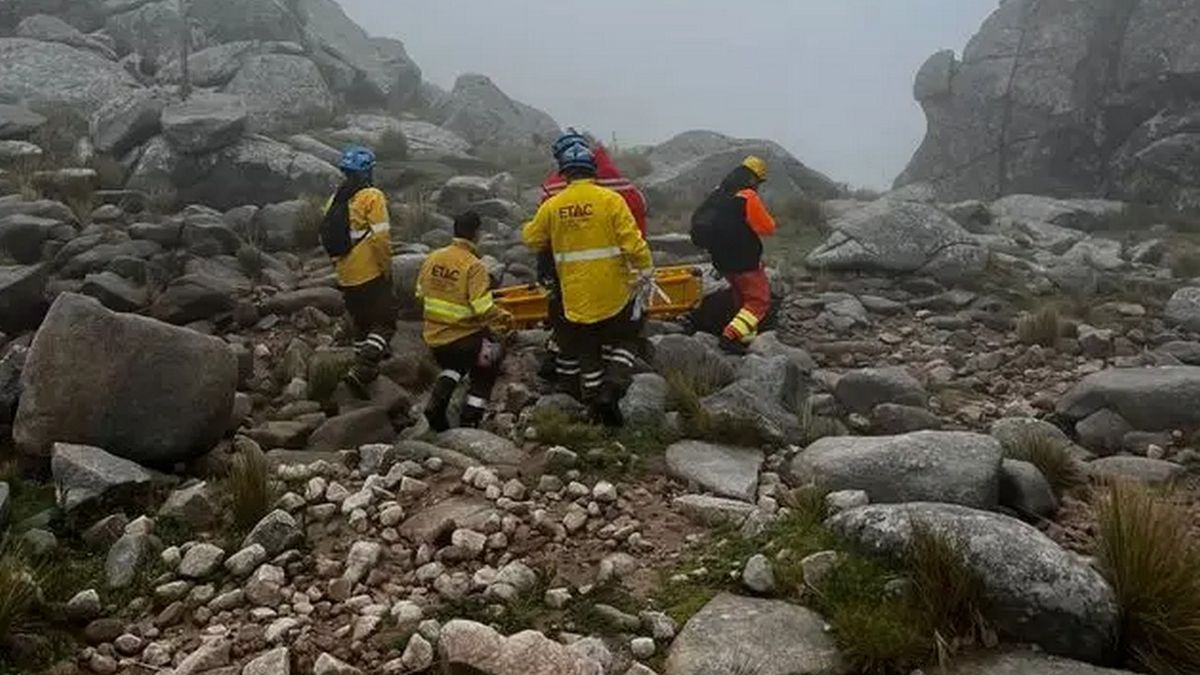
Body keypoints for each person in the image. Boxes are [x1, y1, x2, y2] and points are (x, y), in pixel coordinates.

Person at [523, 142, 653, 426]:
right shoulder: (610, 200)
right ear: (592, 171)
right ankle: (611, 389)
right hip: (613, 290)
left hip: (576, 293)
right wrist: (645, 269)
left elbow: (532, 238)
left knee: (587, 344)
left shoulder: (553, 205)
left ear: (565, 173)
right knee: (629, 335)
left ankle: (593, 401)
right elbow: (633, 242)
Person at [417, 211, 514, 431]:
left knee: (455, 365)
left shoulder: (433, 257)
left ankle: (437, 404)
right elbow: (483, 308)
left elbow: (419, 293)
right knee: (487, 365)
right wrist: (506, 318)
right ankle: (470, 419)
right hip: (463, 337)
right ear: (477, 233)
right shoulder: (474, 265)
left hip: (434, 337)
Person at [325, 145, 397, 396]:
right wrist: (386, 268)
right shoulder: (372, 196)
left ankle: (358, 373)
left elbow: (327, 236)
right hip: (369, 272)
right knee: (386, 322)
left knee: (361, 323)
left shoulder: (336, 199)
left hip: (345, 274)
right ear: (367, 172)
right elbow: (381, 239)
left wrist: (337, 265)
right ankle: (363, 368)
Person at [690, 155, 776, 354]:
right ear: (754, 179)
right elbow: (767, 227)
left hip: (721, 260)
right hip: (744, 260)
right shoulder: (747, 196)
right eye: (759, 182)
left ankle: (745, 337)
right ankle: (730, 336)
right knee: (758, 301)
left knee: (741, 298)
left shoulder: (718, 192)